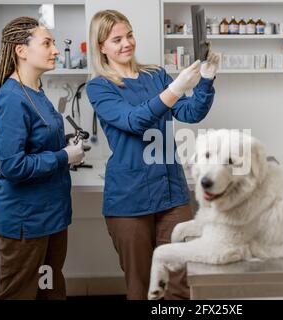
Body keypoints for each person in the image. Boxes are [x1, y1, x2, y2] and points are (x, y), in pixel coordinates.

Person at [86, 10, 219, 299]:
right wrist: (174, 89)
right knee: (143, 285)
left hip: (171, 193)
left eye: (129, 35)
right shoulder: (99, 86)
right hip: (129, 200)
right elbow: (133, 120)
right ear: (101, 47)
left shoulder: (155, 74)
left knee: (178, 282)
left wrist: (205, 82)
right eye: (116, 39)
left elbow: (190, 112)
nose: (127, 43)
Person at [0, 16, 85, 299]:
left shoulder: (37, 92)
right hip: (27, 222)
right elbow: (12, 165)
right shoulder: (11, 98)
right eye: (47, 43)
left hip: (51, 216)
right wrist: (63, 157)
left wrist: (65, 145)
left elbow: (39, 141)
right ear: (21, 50)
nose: (55, 50)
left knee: (49, 291)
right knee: (19, 294)